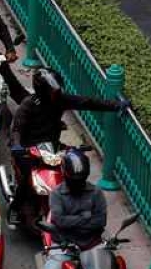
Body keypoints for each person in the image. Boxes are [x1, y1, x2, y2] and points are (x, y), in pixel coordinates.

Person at [8, 68, 128, 224]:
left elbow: (87, 102)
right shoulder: (28, 105)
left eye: (57, 90)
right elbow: (17, 129)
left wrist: (116, 105)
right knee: (27, 177)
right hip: (28, 149)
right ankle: (15, 208)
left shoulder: (61, 100)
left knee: (72, 169)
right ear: (43, 91)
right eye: (53, 91)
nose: (56, 94)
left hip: (52, 147)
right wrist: (17, 146)